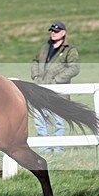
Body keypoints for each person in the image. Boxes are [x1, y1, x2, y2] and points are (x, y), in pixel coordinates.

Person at [30, 21, 80, 152]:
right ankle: (44, 148)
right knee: (40, 119)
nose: (53, 33)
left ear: (64, 33)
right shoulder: (45, 47)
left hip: (58, 91)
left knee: (58, 120)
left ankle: (58, 149)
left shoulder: (70, 50)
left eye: (56, 31)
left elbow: (74, 68)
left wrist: (57, 80)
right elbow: (35, 61)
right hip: (41, 88)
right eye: (52, 31)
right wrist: (35, 76)